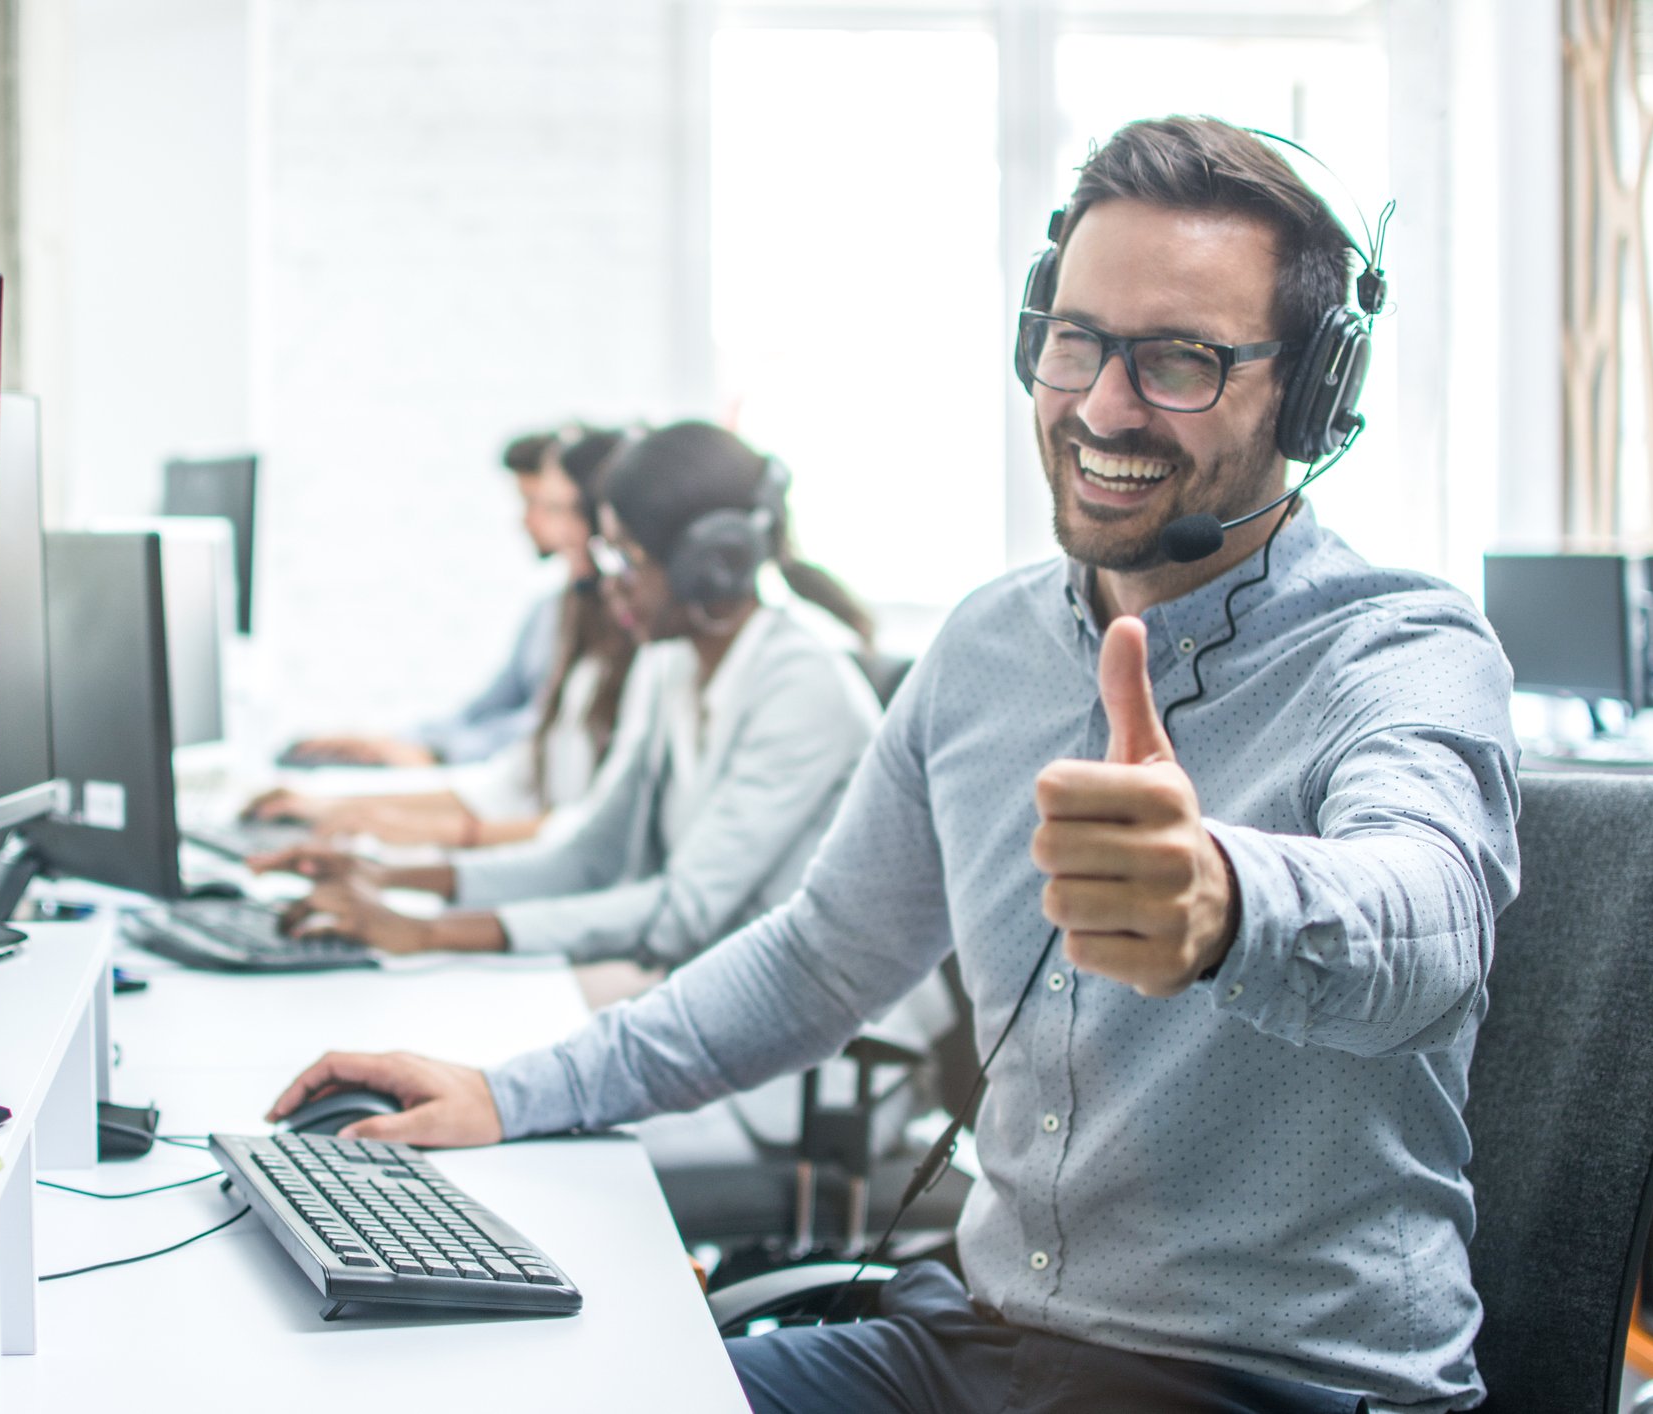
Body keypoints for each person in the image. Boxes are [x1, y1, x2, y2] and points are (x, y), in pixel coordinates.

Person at [266, 117, 1520, 1414]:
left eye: (1180, 362)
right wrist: (507, 1089)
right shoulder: (987, 644)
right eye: (1075, 339)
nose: (1099, 403)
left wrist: (1224, 903)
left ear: (1311, 392)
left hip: (1273, 1384)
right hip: (979, 1345)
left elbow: (1425, 922)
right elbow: (819, 958)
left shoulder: (1403, 648)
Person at [251, 420, 887, 974]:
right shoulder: (671, 665)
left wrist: (425, 932)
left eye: (628, 557)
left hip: (806, 1049)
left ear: (709, 565)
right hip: (706, 987)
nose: (606, 582)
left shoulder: (802, 687)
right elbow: (591, 856)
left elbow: (683, 913)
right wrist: (386, 881)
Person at [251, 429, 639, 846]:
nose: (542, 525)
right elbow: (507, 774)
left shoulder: (640, 655)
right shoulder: (565, 616)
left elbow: (583, 830)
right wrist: (336, 804)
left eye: (558, 510)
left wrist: (400, 816)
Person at [279, 428, 581, 768]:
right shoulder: (548, 611)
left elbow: (549, 728)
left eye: (540, 505)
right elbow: (483, 711)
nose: (526, 521)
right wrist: (388, 742)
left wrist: (438, 753)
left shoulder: (612, 620)